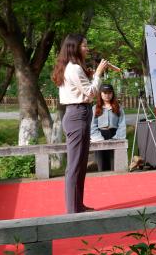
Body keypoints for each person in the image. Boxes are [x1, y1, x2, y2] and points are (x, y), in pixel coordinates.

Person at [52, 34, 109, 214]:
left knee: (80, 164)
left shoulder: (72, 67)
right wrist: (98, 74)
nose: (87, 48)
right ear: (74, 47)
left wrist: (90, 75)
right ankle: (73, 211)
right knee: (75, 166)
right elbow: (91, 92)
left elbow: (83, 89)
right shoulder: (74, 68)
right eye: (84, 45)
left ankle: (78, 206)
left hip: (78, 114)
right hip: (77, 115)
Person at [91, 84, 127, 171]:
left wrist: (117, 137)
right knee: (101, 164)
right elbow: (92, 125)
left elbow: (122, 124)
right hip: (100, 136)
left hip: (114, 135)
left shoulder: (118, 107)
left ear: (112, 94)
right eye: (105, 93)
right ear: (101, 94)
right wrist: (98, 138)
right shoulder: (95, 108)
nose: (107, 95)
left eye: (109, 93)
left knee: (114, 163)